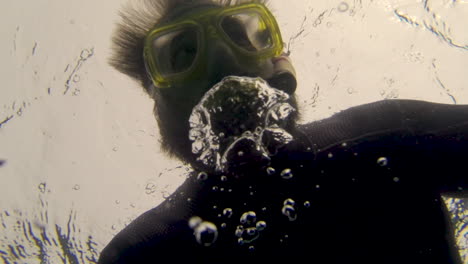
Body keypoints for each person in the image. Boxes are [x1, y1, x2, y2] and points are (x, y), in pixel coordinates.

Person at [99, 1, 468, 263]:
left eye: (240, 38)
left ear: (279, 69)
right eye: (181, 56)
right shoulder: (141, 254)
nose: (223, 60)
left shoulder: (396, 136)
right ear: (159, 110)